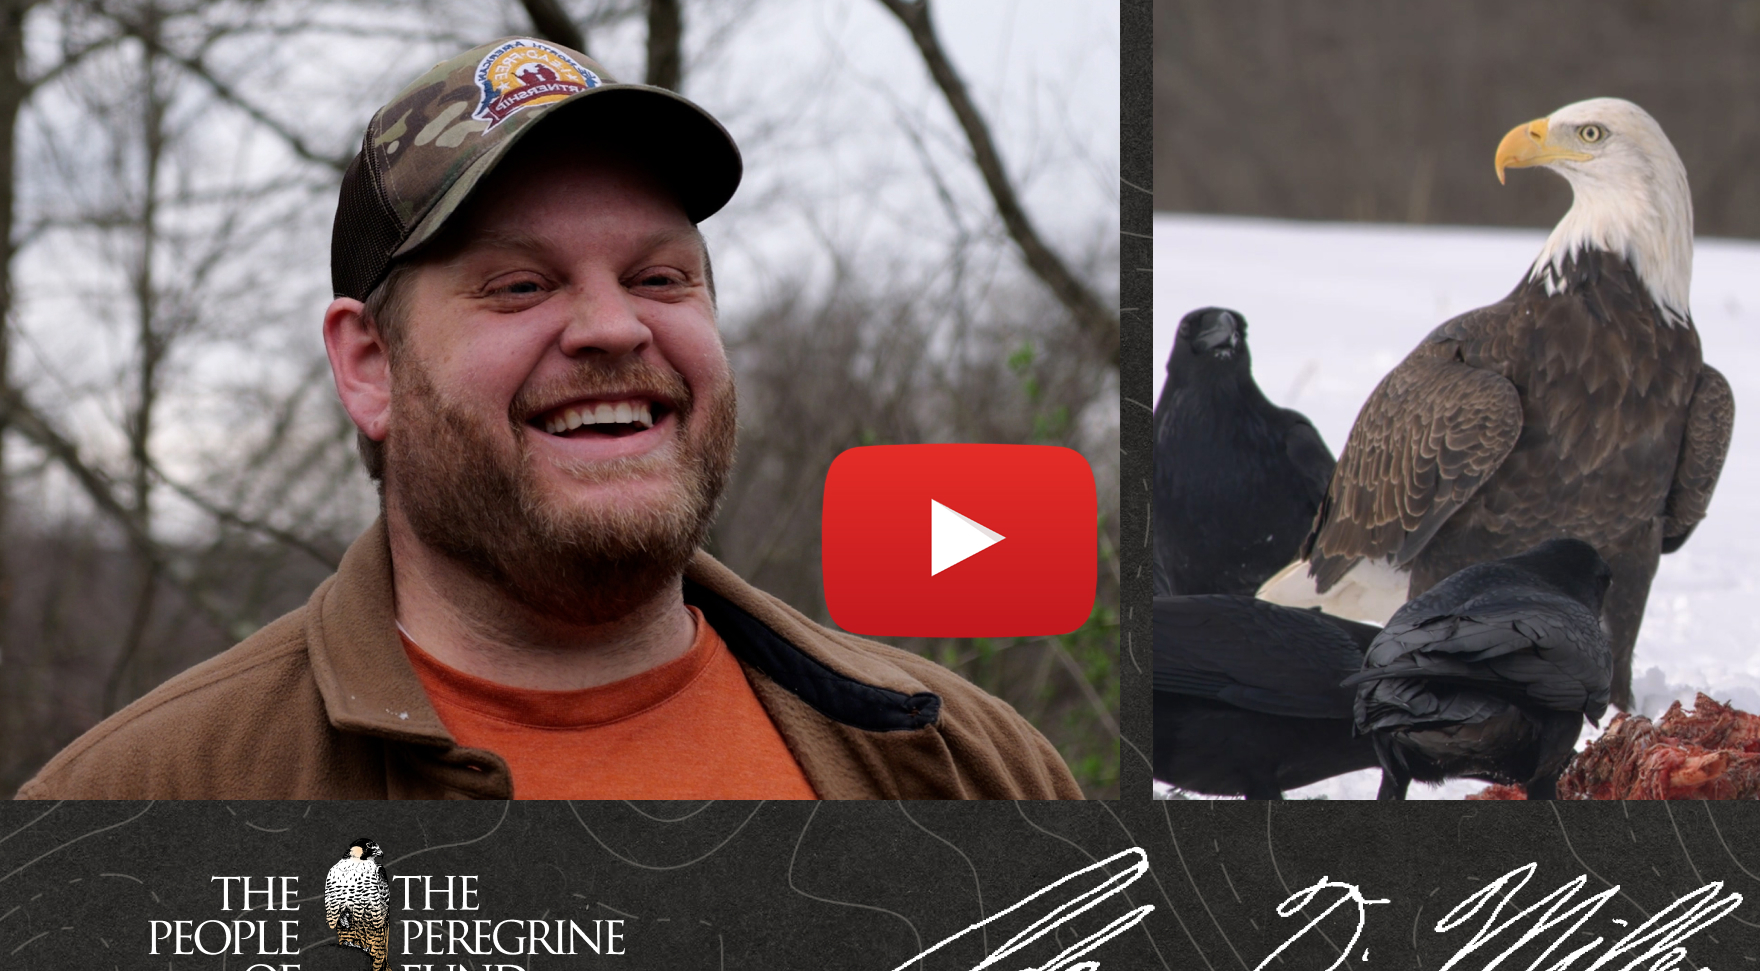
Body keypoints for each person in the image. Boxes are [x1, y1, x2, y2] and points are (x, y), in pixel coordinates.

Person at [16, 38, 1083, 800]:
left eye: (661, 277)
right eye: (520, 287)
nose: (614, 328)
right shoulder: (141, 811)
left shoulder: (966, 769)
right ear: (369, 365)